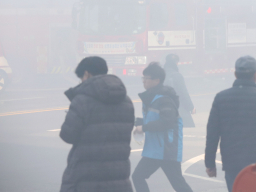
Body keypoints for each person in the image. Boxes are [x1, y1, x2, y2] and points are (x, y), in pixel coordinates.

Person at [205, 56, 256, 192]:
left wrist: (210, 163)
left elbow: (212, 134)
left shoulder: (221, 98)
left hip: (231, 163)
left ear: (235, 74)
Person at [59, 56, 135, 192]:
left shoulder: (82, 100)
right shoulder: (126, 100)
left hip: (87, 176)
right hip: (118, 174)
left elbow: (68, 135)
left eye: (81, 77)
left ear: (86, 74)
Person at [132, 63, 192, 192]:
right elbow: (153, 117)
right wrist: (139, 123)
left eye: (146, 78)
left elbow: (167, 121)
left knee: (178, 184)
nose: (144, 81)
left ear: (156, 80)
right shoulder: (152, 97)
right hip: (155, 150)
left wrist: (144, 128)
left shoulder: (164, 99)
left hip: (166, 150)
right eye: (143, 78)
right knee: (138, 176)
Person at [164, 54, 196, 128]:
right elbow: (183, 93)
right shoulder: (177, 75)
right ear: (176, 63)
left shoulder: (161, 75)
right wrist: (190, 107)